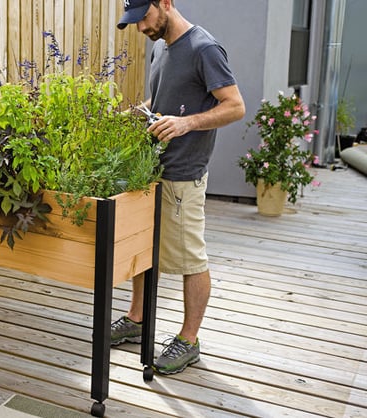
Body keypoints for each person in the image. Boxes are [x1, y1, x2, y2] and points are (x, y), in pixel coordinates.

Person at [112, 0, 246, 375]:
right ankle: (137, 319)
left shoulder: (204, 48)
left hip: (184, 174)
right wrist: (136, 113)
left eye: (144, 18)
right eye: (134, 22)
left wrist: (187, 124)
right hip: (150, 171)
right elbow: (163, 100)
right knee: (141, 245)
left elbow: (235, 106)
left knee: (190, 258)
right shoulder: (160, 47)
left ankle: (189, 340)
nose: (141, 28)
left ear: (166, 3)